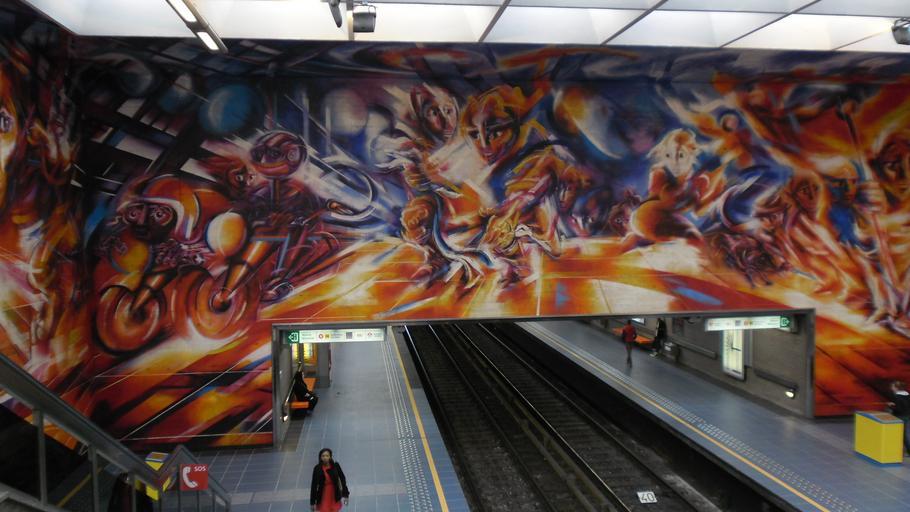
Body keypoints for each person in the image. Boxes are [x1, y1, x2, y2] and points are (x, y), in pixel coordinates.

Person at [888, 380, 910, 455]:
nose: (891, 388)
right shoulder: (907, 395)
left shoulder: (897, 397)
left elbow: (899, 409)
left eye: (892, 386)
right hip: (908, 416)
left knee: (903, 435)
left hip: (901, 417)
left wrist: (891, 406)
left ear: (896, 388)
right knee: (906, 433)